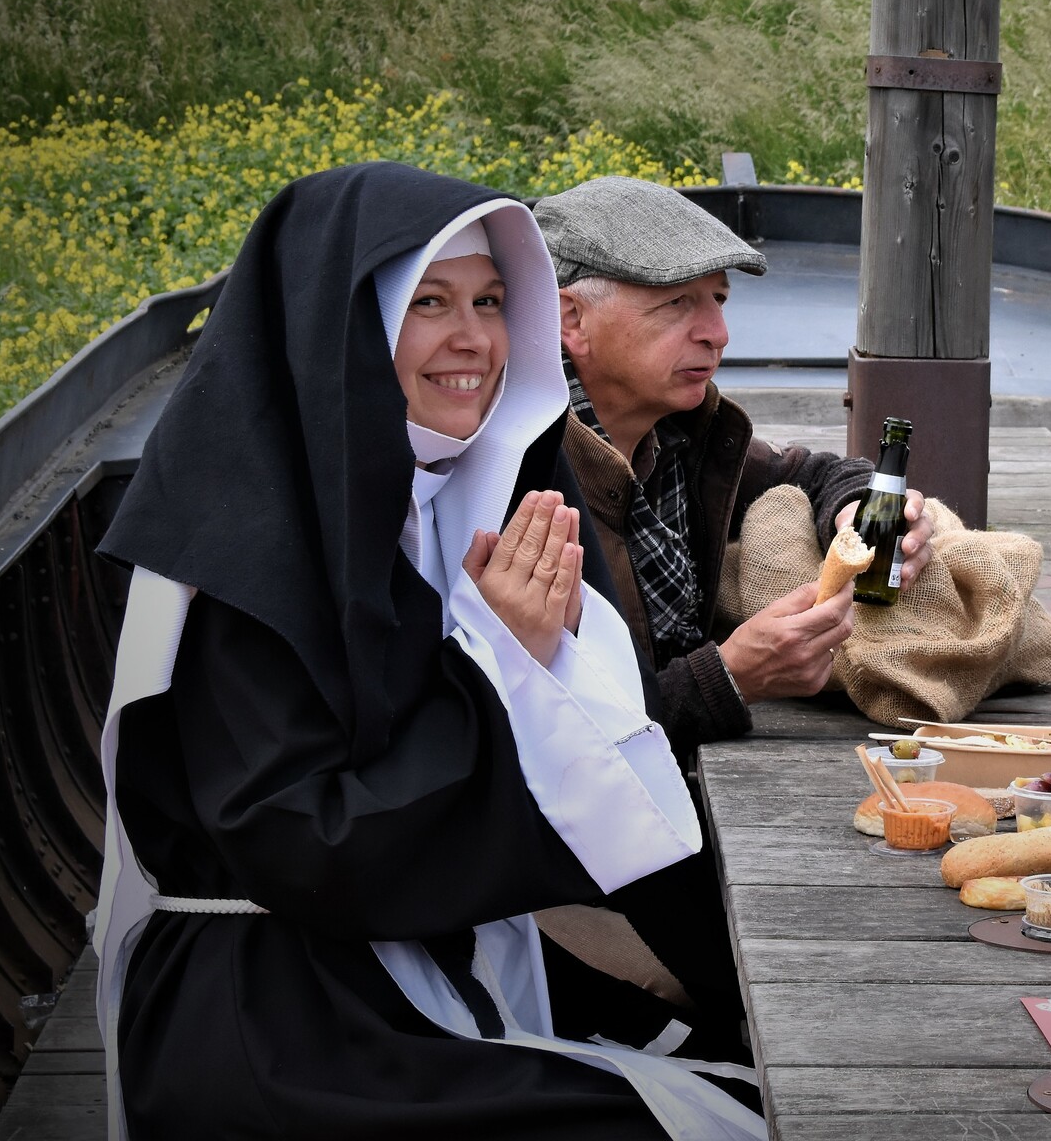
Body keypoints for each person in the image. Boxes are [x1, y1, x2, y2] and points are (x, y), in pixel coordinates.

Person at [93, 162, 764, 1139]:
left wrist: (730, 988)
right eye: (430, 303)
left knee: (749, 1086)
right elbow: (312, 851)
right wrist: (498, 665)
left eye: (491, 300)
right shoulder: (236, 554)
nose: (474, 339)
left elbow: (612, 757)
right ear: (343, 326)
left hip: (430, 958)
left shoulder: (471, 492)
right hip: (277, 1021)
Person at [534, 176, 936, 748]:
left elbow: (807, 473)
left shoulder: (682, 434)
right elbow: (544, 732)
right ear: (571, 319)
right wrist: (729, 677)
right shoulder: (520, 481)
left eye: (717, 299)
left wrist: (859, 512)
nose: (718, 334)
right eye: (677, 303)